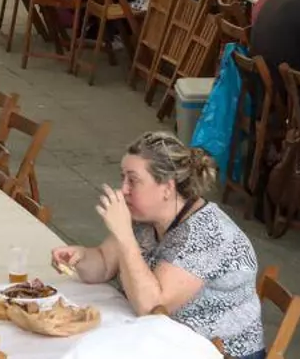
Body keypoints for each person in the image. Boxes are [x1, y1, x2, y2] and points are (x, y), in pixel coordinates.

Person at [51, 131, 263, 357]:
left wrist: (124, 235)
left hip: (217, 352)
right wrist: (81, 257)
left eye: (133, 180)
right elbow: (103, 264)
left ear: (167, 188)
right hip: (164, 340)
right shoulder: (145, 216)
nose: (123, 189)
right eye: (123, 178)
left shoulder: (207, 234)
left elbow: (151, 308)